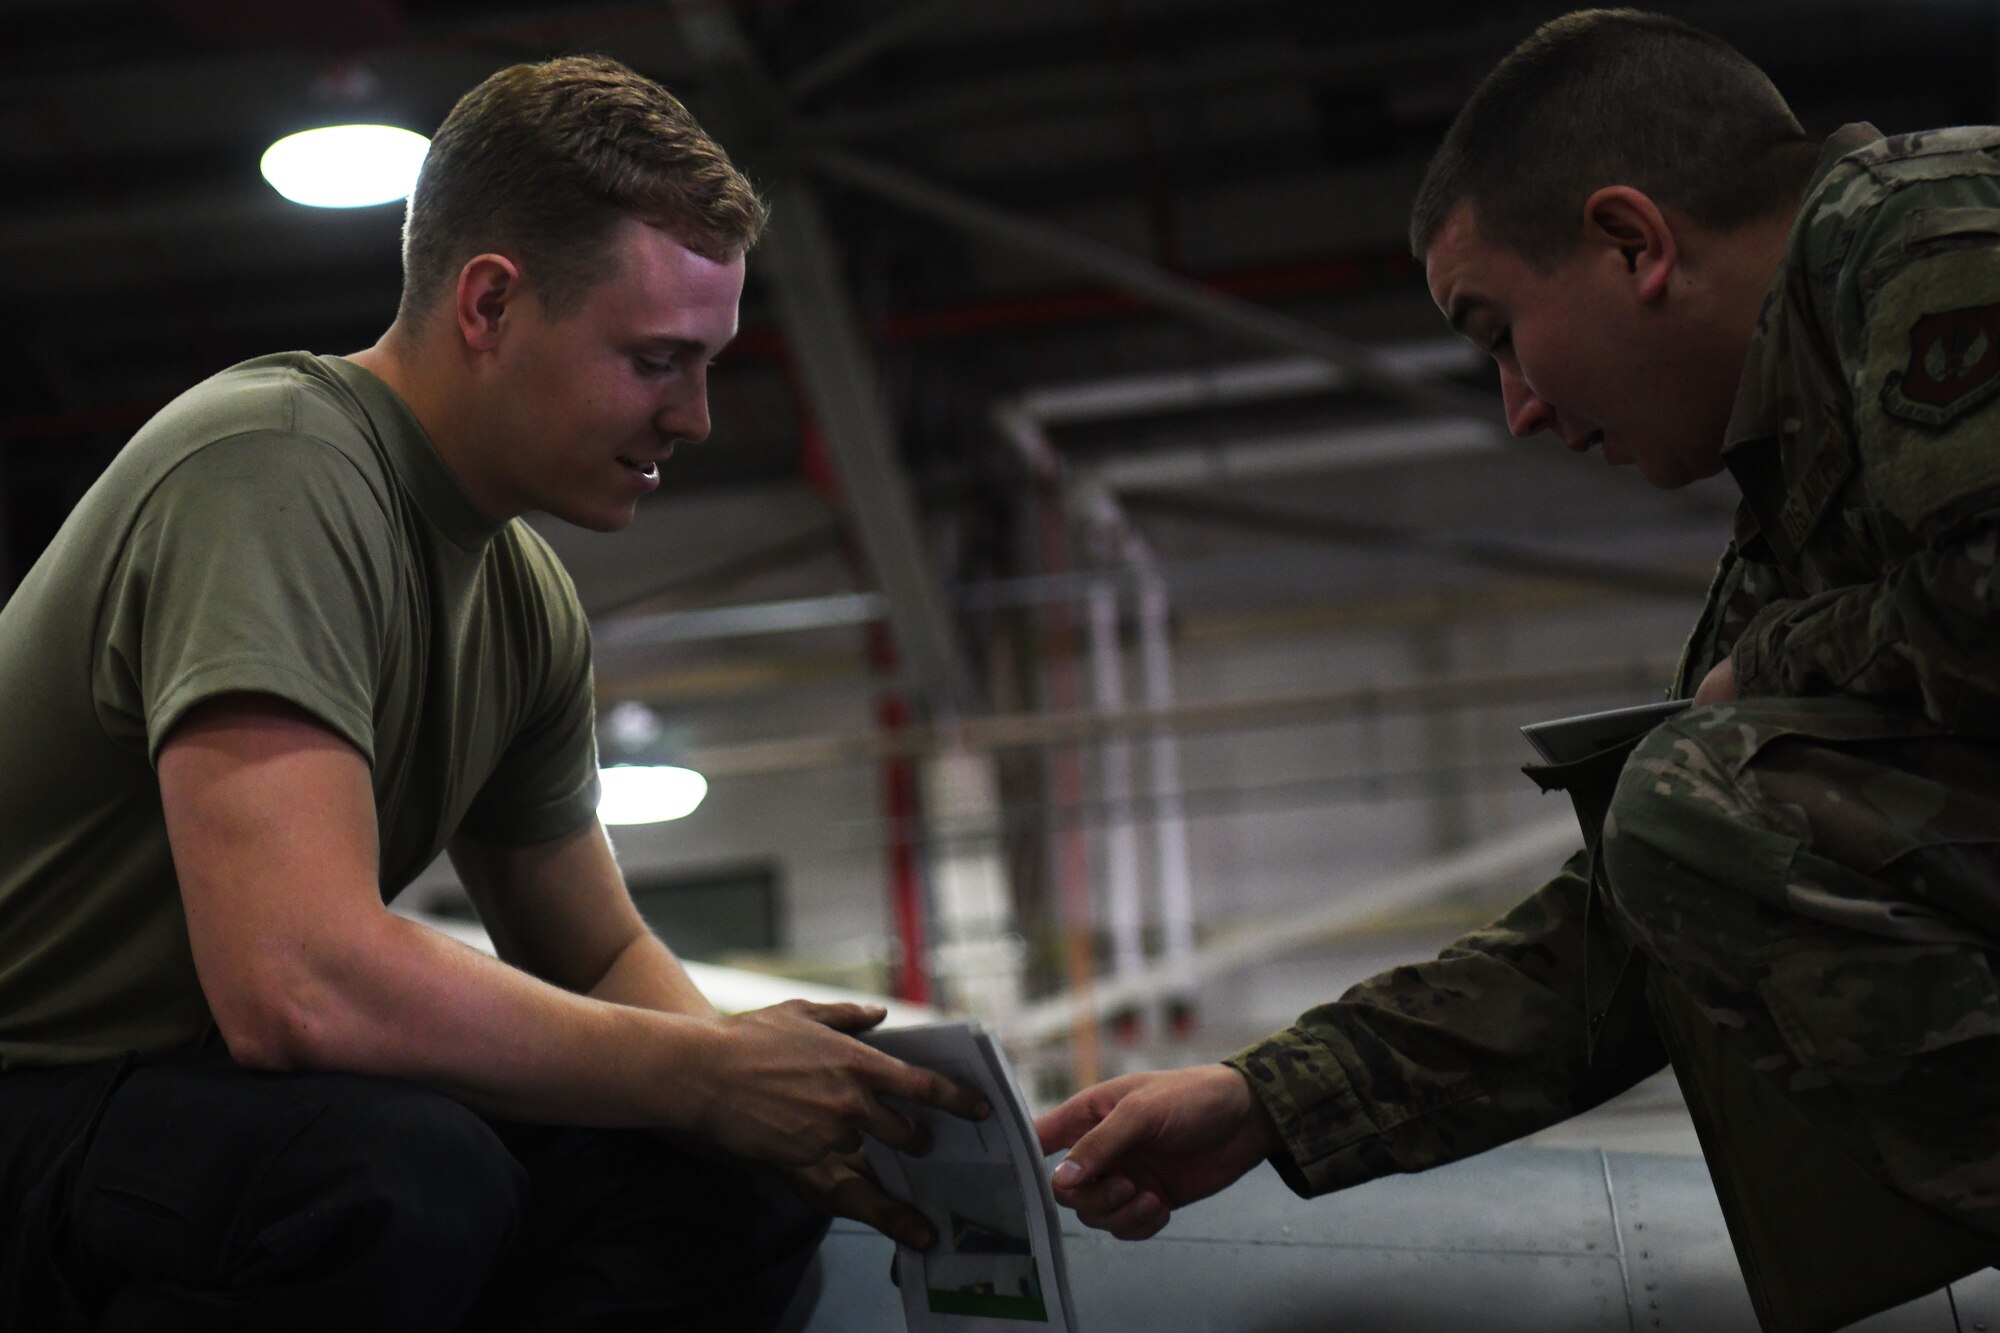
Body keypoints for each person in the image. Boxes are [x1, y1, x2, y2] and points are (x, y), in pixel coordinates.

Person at [1038, 8, 2000, 1324]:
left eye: (1499, 331)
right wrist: (1269, 1100)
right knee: (1685, 812)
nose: (1521, 405)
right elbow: (1626, 929)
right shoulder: (1802, 500)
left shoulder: (1938, 237)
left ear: (1631, 242)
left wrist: (1770, 665)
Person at [0, 55, 987, 1332]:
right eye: (652, 361)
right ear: (488, 305)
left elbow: (595, 947)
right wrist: (697, 1071)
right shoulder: (271, 472)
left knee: (725, 1180)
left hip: (167, 1110)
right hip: (31, 1086)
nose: (692, 416)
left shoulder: (523, 598)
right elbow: (298, 983)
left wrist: (771, 1103)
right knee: (395, 1177)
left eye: (706, 365)